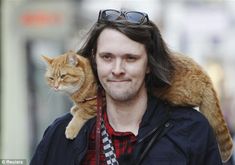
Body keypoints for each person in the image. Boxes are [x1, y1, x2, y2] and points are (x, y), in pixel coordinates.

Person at [30, 9, 223, 165]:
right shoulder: (60, 133)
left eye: (130, 58)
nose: (117, 69)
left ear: (148, 65)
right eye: (107, 57)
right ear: (94, 62)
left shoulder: (191, 129)